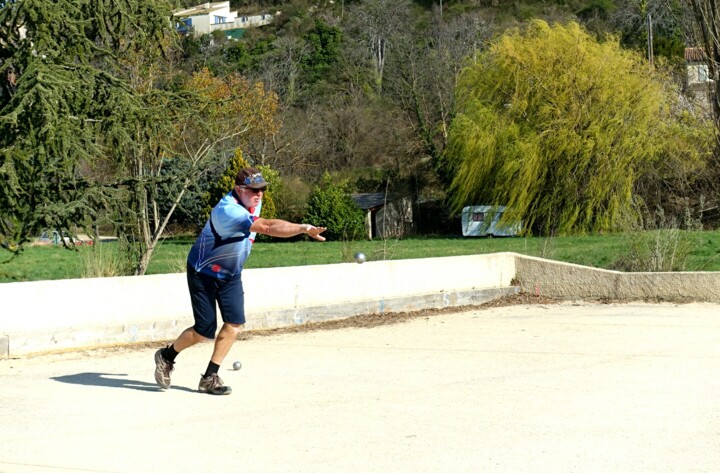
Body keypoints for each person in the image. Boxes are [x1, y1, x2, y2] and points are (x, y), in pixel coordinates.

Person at [153, 167, 326, 395]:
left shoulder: (252, 202)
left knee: (234, 323)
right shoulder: (228, 210)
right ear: (239, 189)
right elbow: (267, 227)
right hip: (203, 272)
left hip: (231, 274)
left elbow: (266, 221)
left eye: (262, 189)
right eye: (254, 190)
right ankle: (166, 356)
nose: (260, 194)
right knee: (204, 331)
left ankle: (209, 377)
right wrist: (303, 228)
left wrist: (301, 228)